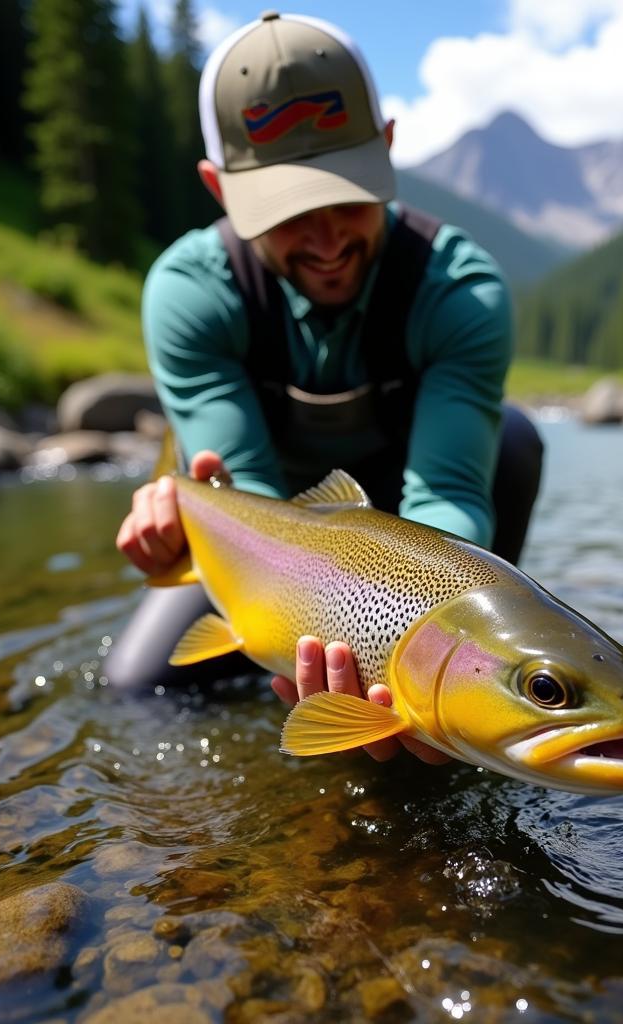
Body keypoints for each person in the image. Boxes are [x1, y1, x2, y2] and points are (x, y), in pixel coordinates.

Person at [110, 11, 544, 762]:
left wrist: (431, 661)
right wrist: (185, 526)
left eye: (347, 195)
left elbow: (445, 493)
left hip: (413, 540)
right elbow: (245, 500)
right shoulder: (190, 291)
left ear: (388, 149)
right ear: (219, 188)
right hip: (267, 528)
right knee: (137, 691)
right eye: (286, 213)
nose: (327, 239)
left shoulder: (460, 289)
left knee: (514, 442)